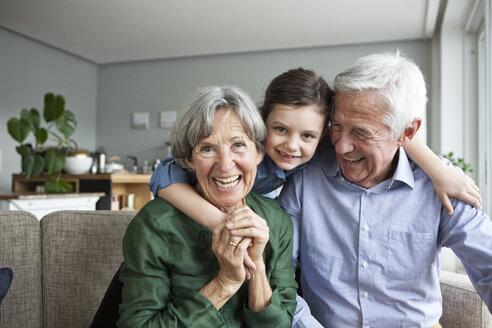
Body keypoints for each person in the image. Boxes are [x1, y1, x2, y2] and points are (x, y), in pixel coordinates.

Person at [276, 51, 492, 327]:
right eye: (337, 126)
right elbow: (277, 280)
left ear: (407, 132)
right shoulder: (306, 176)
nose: (341, 146)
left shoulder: (440, 184)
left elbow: (488, 264)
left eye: (361, 133)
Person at [149, 68, 481, 235]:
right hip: (194, 218)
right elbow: (164, 172)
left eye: (307, 135)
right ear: (262, 121)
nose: (292, 146)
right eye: (279, 130)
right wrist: (218, 220)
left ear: (324, 133)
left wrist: (437, 169)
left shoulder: (326, 145)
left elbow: (387, 132)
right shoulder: (240, 152)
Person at [117, 86, 297, 327]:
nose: (225, 165)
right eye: (207, 148)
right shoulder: (154, 225)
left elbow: (280, 324)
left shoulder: (276, 220)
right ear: (189, 159)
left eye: (239, 145)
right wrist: (225, 283)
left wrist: (258, 268)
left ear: (259, 152)